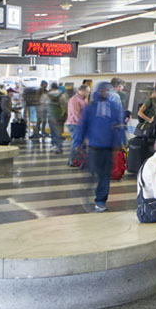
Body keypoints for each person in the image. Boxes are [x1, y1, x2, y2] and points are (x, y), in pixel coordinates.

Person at [79, 81, 125, 212]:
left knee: (104, 175)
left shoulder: (114, 106)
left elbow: (119, 125)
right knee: (94, 173)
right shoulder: (90, 108)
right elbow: (82, 126)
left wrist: (120, 142)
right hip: (94, 147)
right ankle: (89, 192)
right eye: (103, 90)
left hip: (108, 148)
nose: (105, 92)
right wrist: (78, 143)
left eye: (107, 90)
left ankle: (100, 201)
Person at [66, 84, 89, 166]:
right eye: (87, 92)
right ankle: (72, 160)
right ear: (82, 91)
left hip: (79, 124)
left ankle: (76, 160)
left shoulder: (84, 99)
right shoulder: (74, 100)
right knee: (76, 142)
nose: (88, 93)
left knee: (80, 142)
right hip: (74, 124)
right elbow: (76, 114)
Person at [47, 83, 68, 154]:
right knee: (59, 132)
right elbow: (65, 106)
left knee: (53, 132)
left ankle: (54, 145)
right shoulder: (62, 95)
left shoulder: (47, 95)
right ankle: (59, 147)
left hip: (50, 116)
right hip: (60, 117)